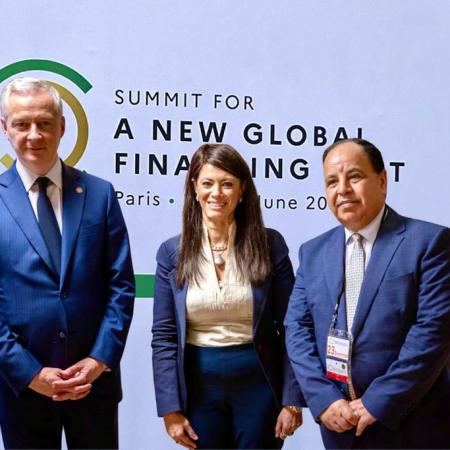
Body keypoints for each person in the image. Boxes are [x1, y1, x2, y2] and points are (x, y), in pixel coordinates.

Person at [285, 138, 450, 449]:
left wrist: (378, 400)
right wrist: (324, 400)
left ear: (382, 181)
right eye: (332, 182)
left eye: (355, 176)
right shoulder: (313, 252)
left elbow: (433, 332)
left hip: (410, 424)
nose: (342, 189)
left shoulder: (429, 242)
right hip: (339, 425)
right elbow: (297, 329)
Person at [0, 77, 135, 449]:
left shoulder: (99, 195)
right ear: (5, 128)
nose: (34, 134)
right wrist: (30, 373)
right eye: (22, 124)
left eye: (44, 122)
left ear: (61, 127)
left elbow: (121, 287)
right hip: (21, 388)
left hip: (93, 385)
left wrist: (98, 361)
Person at [152, 143, 303, 449]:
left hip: (260, 386)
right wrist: (170, 408)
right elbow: (164, 336)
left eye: (227, 184)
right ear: (194, 188)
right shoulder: (171, 253)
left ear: (242, 189)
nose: (216, 193)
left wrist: (292, 399)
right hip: (198, 389)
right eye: (207, 183)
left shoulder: (270, 245)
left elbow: (293, 326)